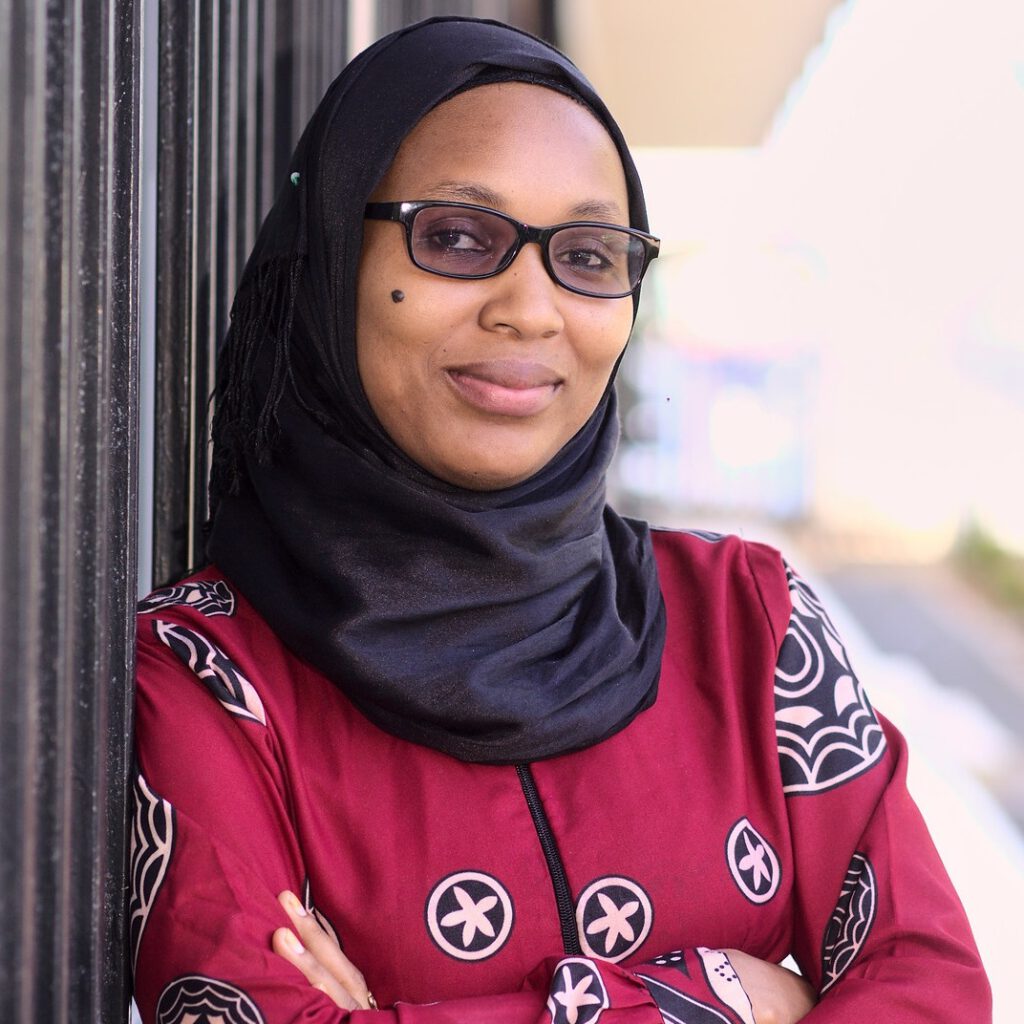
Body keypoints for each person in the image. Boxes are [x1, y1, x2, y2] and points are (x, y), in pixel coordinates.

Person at [131, 17, 990, 1024]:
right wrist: (725, 999)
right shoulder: (211, 680)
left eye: (586, 255)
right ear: (329, 259)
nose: (530, 310)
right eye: (455, 236)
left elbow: (931, 991)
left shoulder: (749, 626)